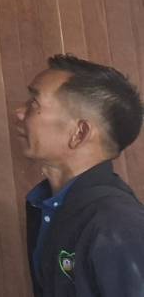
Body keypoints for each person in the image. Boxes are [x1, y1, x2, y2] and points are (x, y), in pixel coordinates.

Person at [14, 53, 144, 296]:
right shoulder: (49, 207)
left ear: (79, 133)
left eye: (34, 103)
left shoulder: (117, 223)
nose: (19, 112)